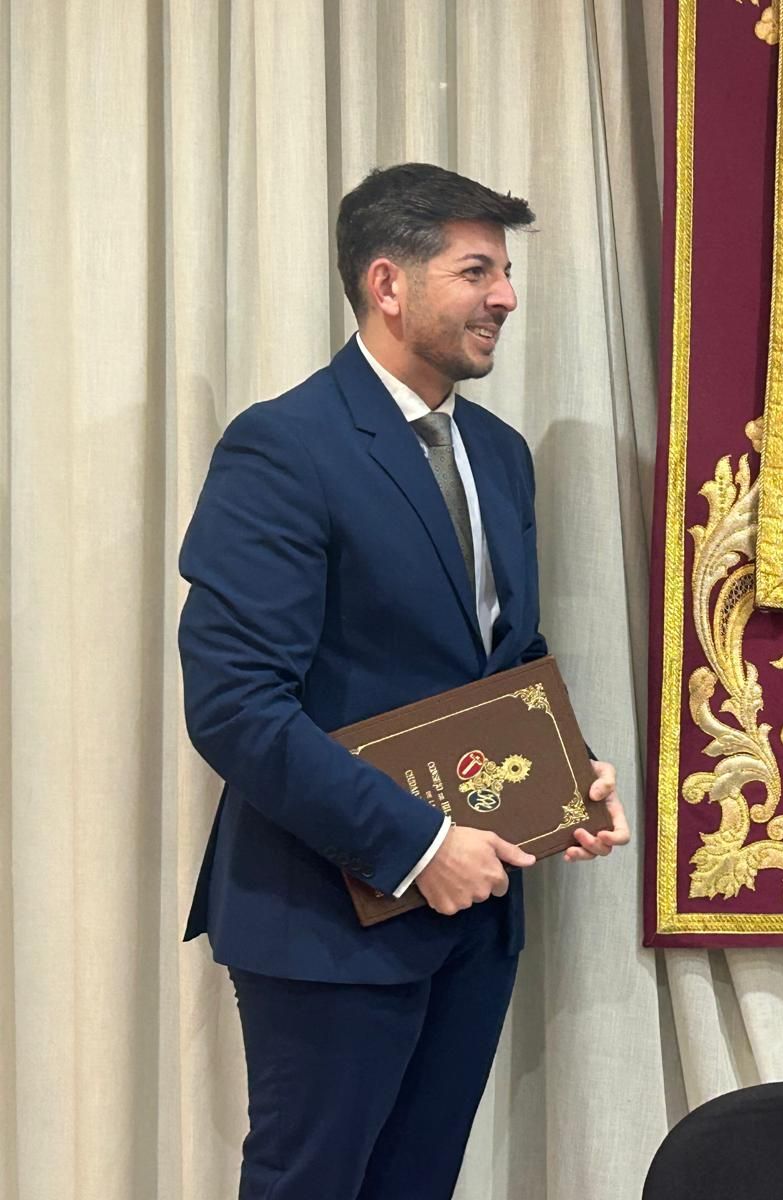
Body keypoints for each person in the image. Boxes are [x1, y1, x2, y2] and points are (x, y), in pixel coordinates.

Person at [178, 162, 629, 1200]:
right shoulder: (283, 448)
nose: (506, 297)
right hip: (325, 917)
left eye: (506, 272)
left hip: (476, 917)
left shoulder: (501, 455)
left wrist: (570, 777)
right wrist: (418, 844)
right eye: (478, 271)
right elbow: (236, 705)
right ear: (388, 284)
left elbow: (501, 660)